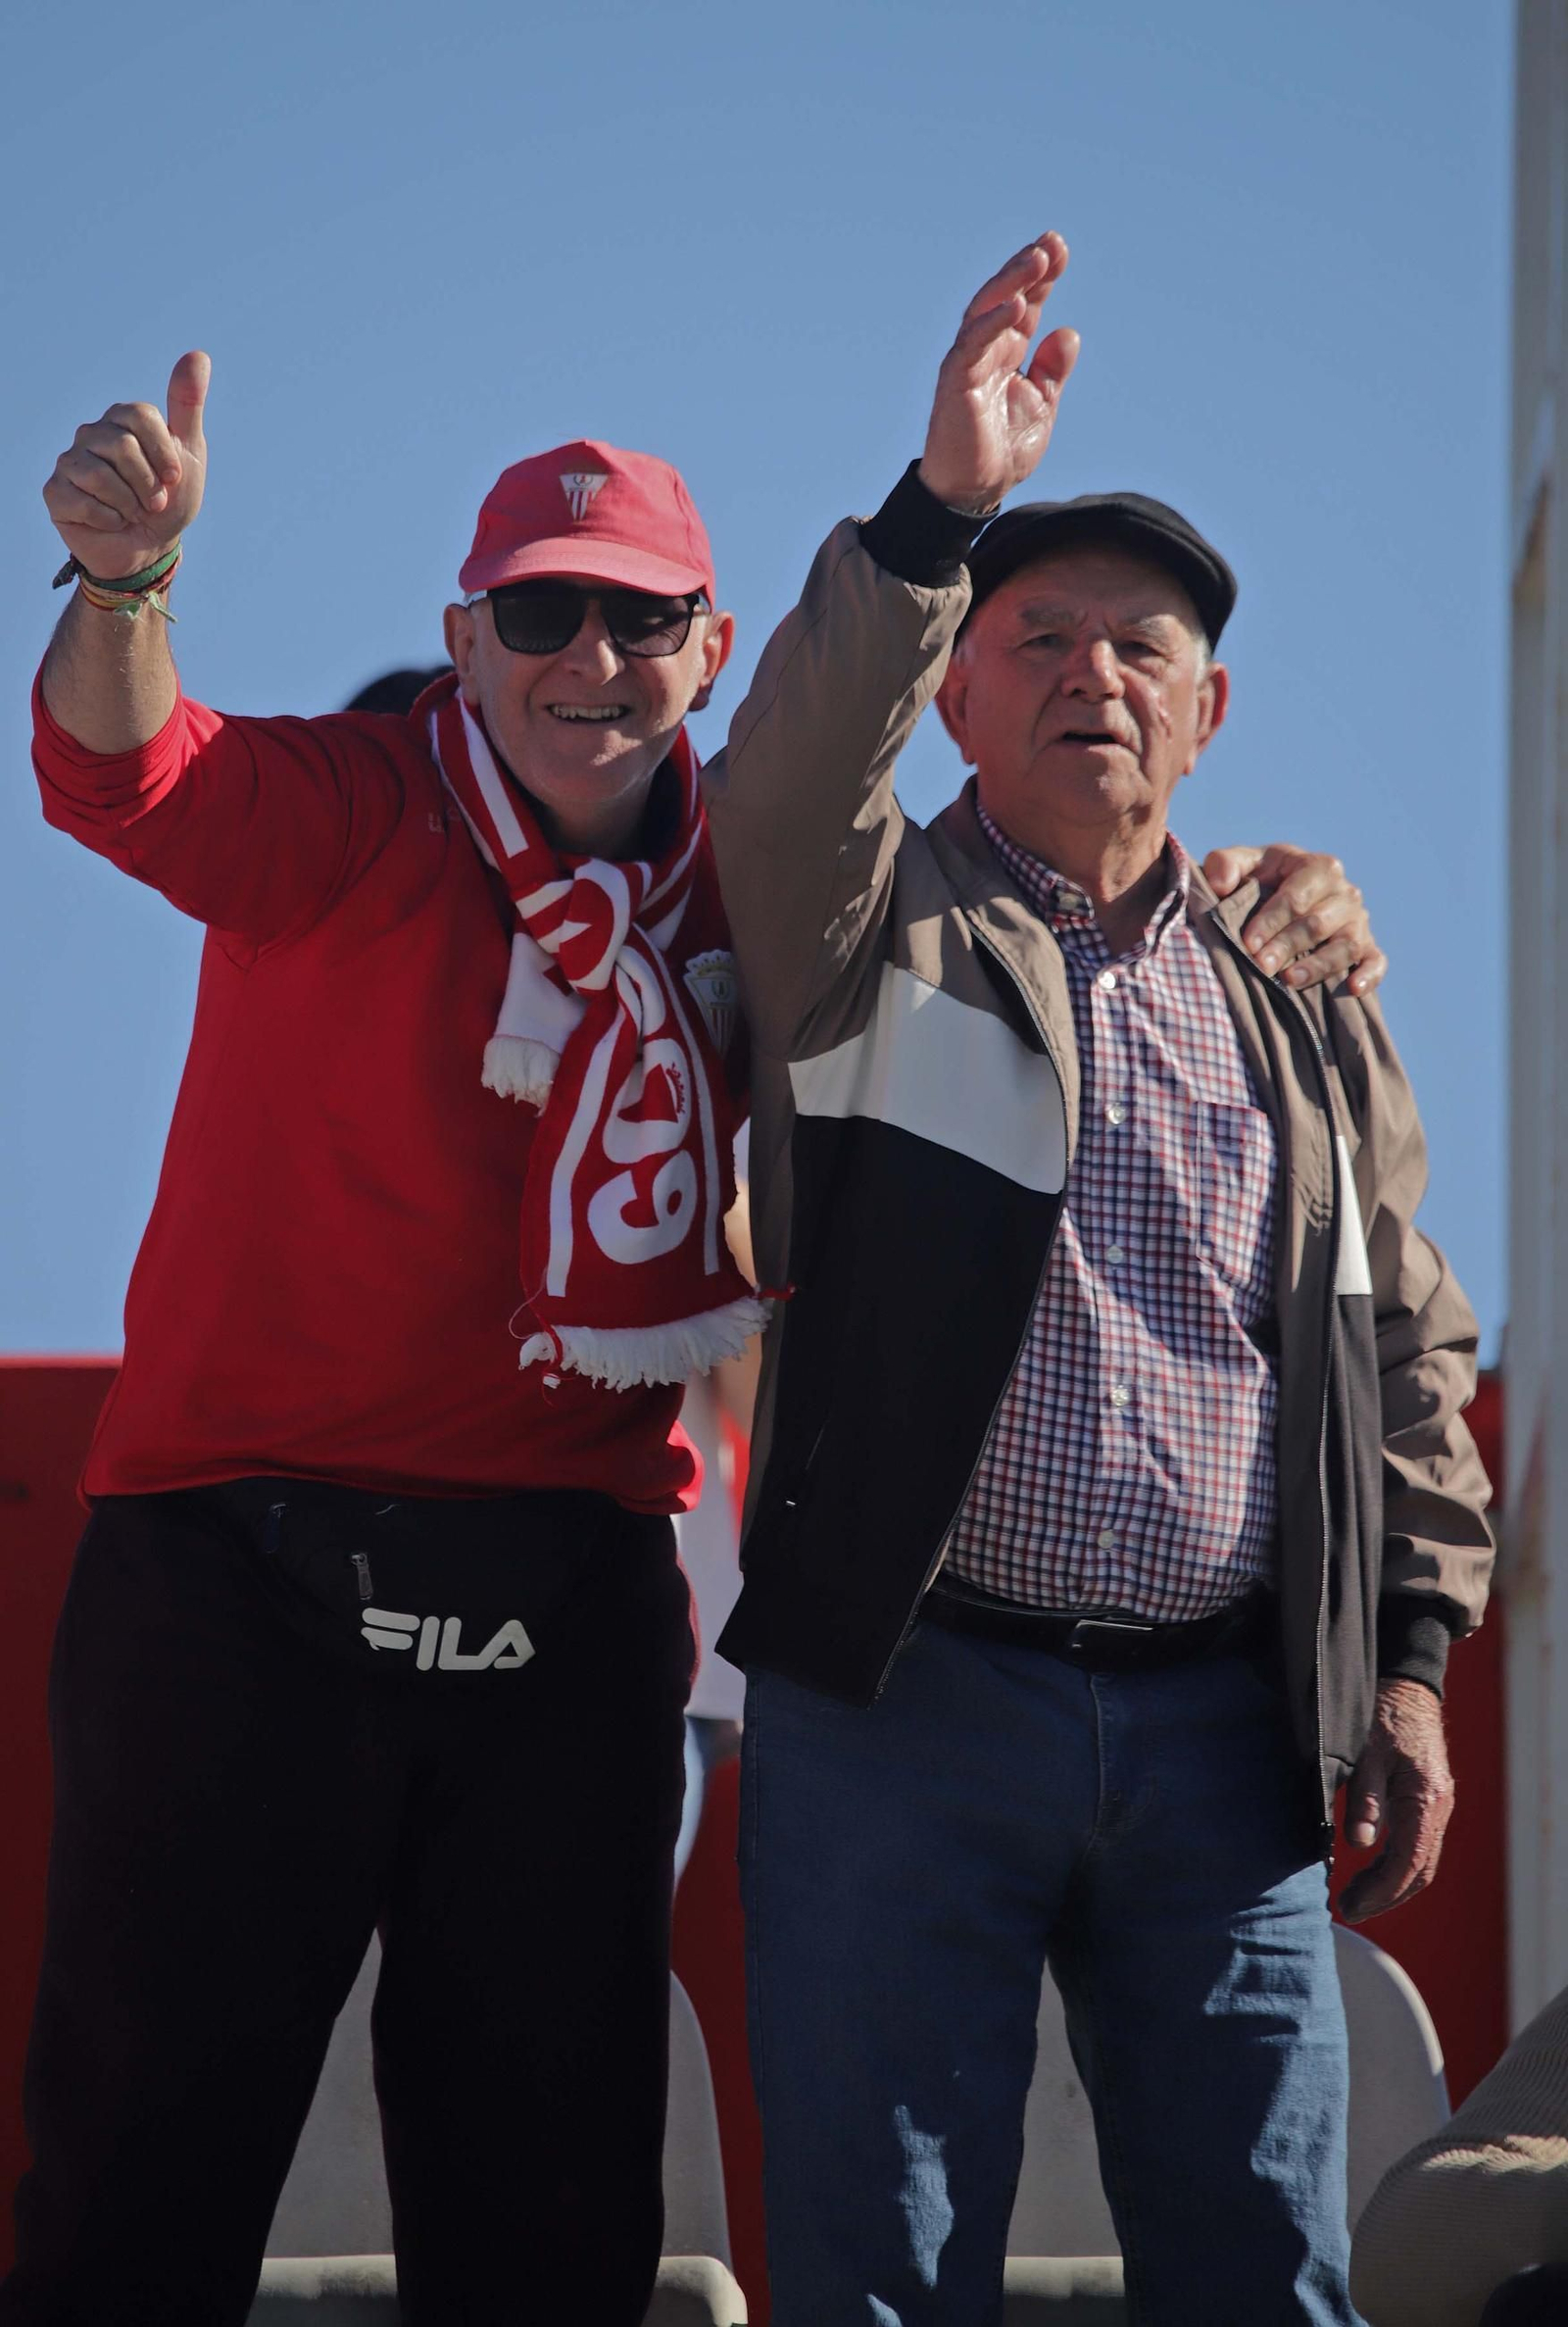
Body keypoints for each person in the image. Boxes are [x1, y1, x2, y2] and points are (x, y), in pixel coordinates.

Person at [12, 314, 1380, 2323]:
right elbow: (129, 764)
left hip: (568, 1601)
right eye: (542, 614)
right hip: (238, 1571)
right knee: (137, 2197)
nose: (591, 661)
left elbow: (1001, 849)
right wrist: (125, 581)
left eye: (638, 621)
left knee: (549, 2222)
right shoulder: (345, 806)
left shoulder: (752, 885)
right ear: (464, 638)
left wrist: (1275, 881)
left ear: (711, 650)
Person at [703, 234, 1495, 2325]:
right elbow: (779, 784)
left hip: (1227, 1736)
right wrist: (934, 510)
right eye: (1032, 635)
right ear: (952, 688)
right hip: (901, 1700)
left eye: (1139, 647)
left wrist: (1406, 1654)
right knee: (881, 2275)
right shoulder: (869, 926)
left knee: (1266, 2273)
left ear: (1206, 709)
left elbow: (1403, 1344)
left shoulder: (1308, 992)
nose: (1089, 674)